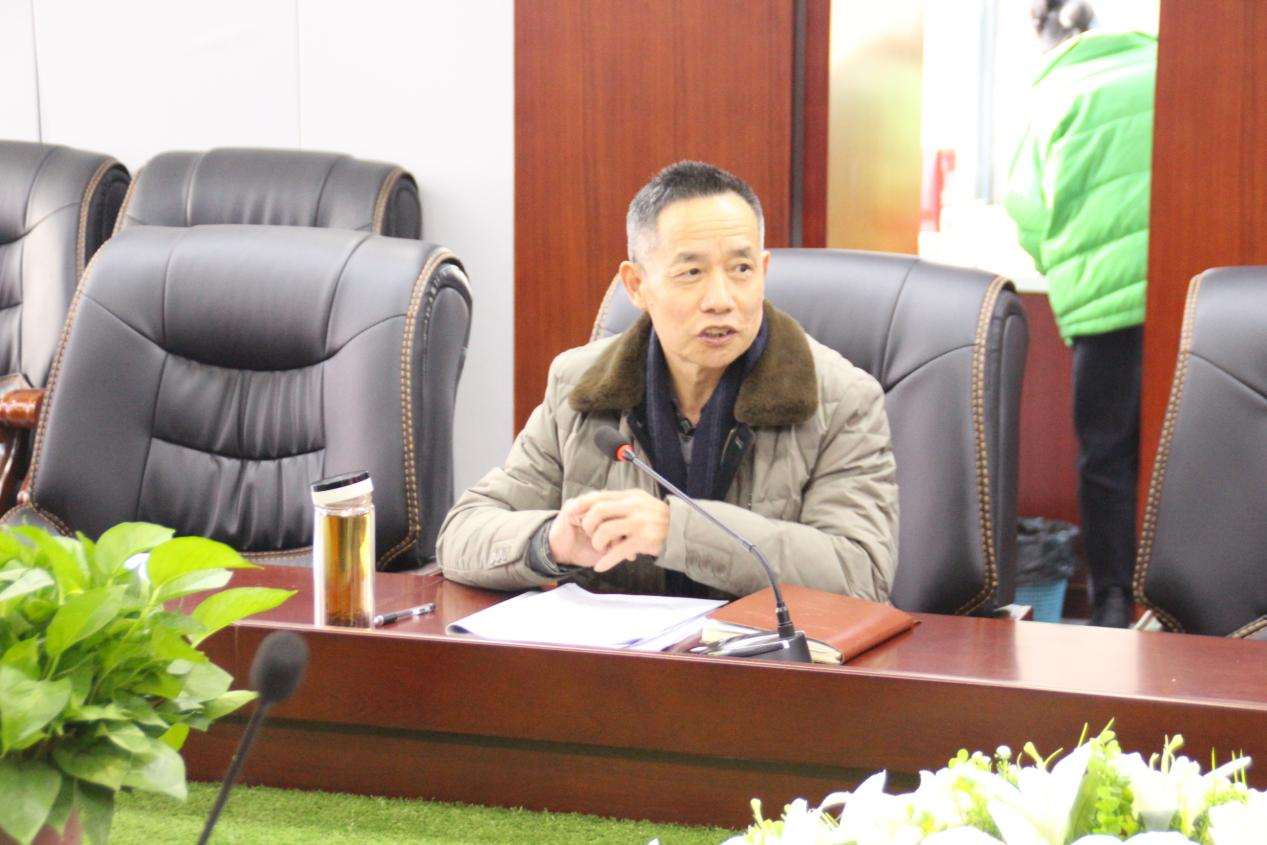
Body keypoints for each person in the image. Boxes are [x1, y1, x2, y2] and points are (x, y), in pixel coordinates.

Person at [438, 161, 898, 601]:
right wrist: (549, 542)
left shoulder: (840, 398)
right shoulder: (579, 386)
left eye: (742, 269)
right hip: (615, 653)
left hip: (762, 653)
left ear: (764, 270)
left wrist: (675, 531)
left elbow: (860, 576)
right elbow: (461, 535)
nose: (721, 300)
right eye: (691, 272)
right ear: (636, 285)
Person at [1005, 1, 1156, 627]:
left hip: (1101, 305)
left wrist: (1068, 267)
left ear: (1039, 31)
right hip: (1187, 295)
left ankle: (1114, 602)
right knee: (1188, 449)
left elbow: (1027, 209)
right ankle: (1192, 606)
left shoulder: (1051, 92)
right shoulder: (1160, 67)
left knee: (1106, 456)